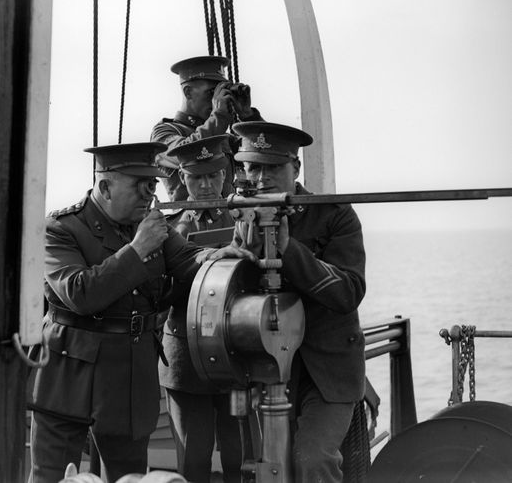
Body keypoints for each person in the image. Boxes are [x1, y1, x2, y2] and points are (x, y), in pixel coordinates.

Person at [27, 142, 209, 483]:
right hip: (69, 373)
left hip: (128, 375)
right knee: (51, 478)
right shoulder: (61, 228)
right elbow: (80, 293)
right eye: (138, 185)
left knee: (129, 479)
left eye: (152, 185)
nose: (148, 194)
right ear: (105, 187)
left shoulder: (150, 226)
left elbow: (190, 261)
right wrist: (138, 249)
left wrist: (229, 253)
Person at [206, 121, 367, 482]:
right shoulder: (246, 215)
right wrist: (229, 258)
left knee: (313, 461)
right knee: (270, 466)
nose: (261, 178)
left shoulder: (336, 215)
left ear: (296, 168)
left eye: (273, 167)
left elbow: (347, 292)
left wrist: (288, 248)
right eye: (253, 167)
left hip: (328, 370)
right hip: (268, 365)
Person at [159, 135, 241, 483]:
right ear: (183, 178)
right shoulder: (166, 226)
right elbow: (157, 292)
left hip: (237, 347)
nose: (206, 185)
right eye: (196, 178)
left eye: (213, 175)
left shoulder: (244, 218)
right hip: (186, 356)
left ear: (225, 174)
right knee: (194, 459)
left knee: (243, 455)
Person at [150, 55, 262, 202]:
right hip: (187, 222)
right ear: (188, 92)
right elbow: (185, 152)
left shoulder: (222, 137)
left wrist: (248, 116)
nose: (217, 98)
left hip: (229, 222)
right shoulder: (164, 132)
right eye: (211, 93)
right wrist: (219, 117)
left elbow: (264, 151)